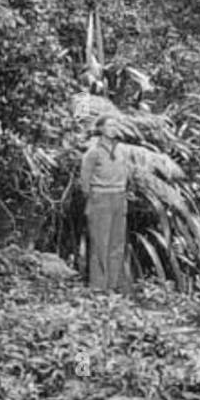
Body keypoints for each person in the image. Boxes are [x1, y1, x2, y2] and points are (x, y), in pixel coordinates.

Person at [79, 114, 130, 291]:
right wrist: (92, 199)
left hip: (119, 197)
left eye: (116, 125)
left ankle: (113, 284)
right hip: (100, 198)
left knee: (116, 243)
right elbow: (84, 180)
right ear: (100, 128)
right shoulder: (93, 152)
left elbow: (127, 173)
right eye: (109, 125)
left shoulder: (122, 149)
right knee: (100, 243)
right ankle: (98, 286)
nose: (113, 128)